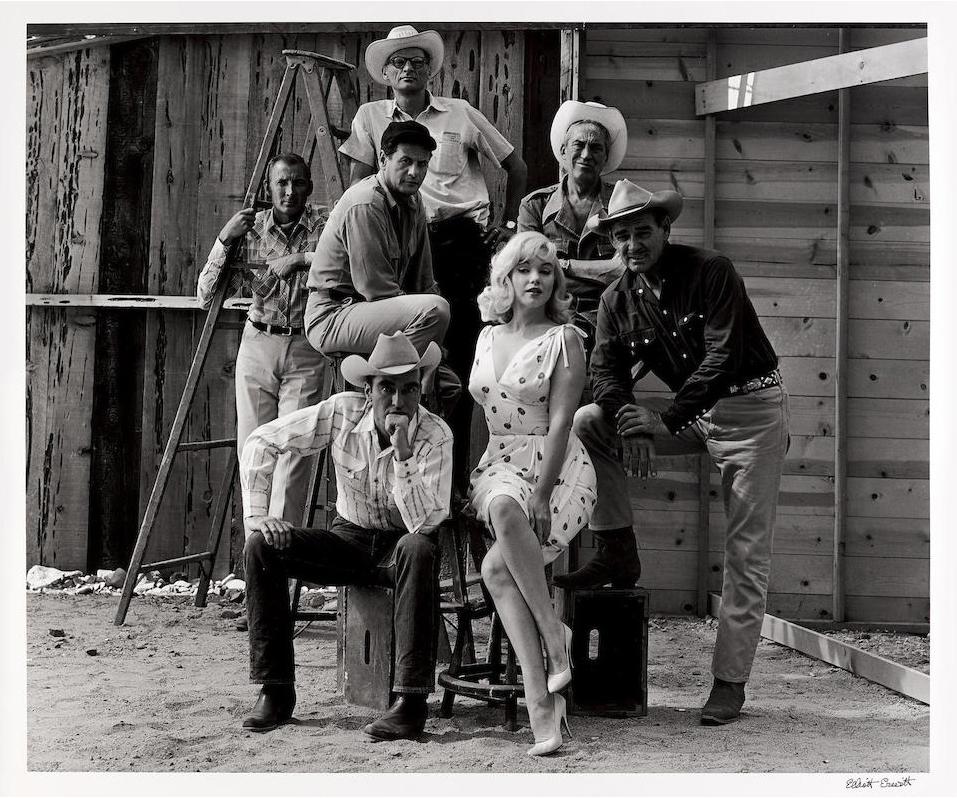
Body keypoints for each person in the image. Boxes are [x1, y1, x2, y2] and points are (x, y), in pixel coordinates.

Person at [573, 179, 790, 725]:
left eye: (641, 233)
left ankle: (728, 684)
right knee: (590, 422)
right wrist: (634, 424)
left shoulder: (711, 271)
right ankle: (617, 547)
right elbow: (605, 371)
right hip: (690, 418)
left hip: (751, 413)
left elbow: (721, 358)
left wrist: (662, 417)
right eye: (620, 237)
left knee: (745, 552)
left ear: (665, 229)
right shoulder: (616, 299)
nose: (631, 246)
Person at [339, 25, 529, 491]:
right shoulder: (370, 117)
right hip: (396, 245)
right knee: (394, 362)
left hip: (459, 248)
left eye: (417, 61)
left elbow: (515, 165)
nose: (409, 69)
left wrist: (506, 228)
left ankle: (454, 482)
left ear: (430, 69)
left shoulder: (459, 113)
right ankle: (389, 480)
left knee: (458, 366)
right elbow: (357, 190)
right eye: (399, 62)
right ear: (386, 72)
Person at [239, 331, 453, 740]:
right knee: (261, 546)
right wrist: (260, 516)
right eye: (386, 387)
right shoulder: (341, 412)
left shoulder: (436, 434)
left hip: (403, 547)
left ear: (420, 388)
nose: (398, 401)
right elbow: (261, 442)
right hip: (349, 539)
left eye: (409, 388)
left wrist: (403, 454)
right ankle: (276, 691)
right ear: (367, 389)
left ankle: (410, 704)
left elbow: (424, 523)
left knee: (418, 547)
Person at [468, 231, 597, 756]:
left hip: (557, 468)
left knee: (496, 570)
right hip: (498, 465)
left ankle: (541, 702)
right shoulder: (484, 338)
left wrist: (542, 494)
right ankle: (553, 635)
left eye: (546, 271)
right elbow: (482, 416)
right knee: (500, 502)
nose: (536, 279)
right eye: (525, 269)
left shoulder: (565, 339)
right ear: (507, 277)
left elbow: (564, 418)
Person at [197, 153, 328, 535]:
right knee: (254, 447)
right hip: (258, 340)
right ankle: (257, 545)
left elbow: (348, 260)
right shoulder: (250, 230)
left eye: (298, 183)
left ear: (309, 187)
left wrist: (300, 259)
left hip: (305, 344)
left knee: (295, 449)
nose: (290, 191)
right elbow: (205, 294)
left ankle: (282, 555)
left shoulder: (323, 222)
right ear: (268, 189)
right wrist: (225, 237)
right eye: (282, 183)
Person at [305, 120, 456, 411]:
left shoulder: (414, 200)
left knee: (448, 383)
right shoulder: (365, 202)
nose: (415, 172)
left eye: (422, 164)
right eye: (406, 162)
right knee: (436, 310)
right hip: (334, 315)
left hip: (374, 313)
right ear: (383, 159)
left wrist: (439, 343)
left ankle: (410, 382)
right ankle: (385, 386)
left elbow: (424, 281)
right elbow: (377, 290)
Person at [517, 100, 628, 335]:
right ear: (564, 150)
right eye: (579, 145)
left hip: (608, 318)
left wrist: (561, 266)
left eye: (596, 148)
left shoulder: (621, 203)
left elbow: (622, 270)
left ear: (606, 156)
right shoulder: (535, 206)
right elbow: (528, 270)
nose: (586, 155)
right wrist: (599, 271)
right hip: (548, 316)